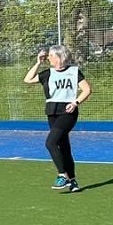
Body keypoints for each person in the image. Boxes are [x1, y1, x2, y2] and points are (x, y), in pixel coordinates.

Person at [23, 44, 92, 193]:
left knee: (50, 142)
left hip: (68, 112)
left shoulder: (74, 72)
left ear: (59, 56)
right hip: (52, 112)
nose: (48, 58)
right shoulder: (48, 73)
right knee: (64, 147)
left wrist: (76, 102)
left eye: (50, 56)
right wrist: (38, 63)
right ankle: (73, 181)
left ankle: (62, 175)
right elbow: (27, 80)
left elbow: (87, 89)